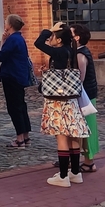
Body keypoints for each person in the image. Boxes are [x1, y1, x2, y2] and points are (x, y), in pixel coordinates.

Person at [34, 22, 90, 187]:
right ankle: (75, 173)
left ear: (58, 40)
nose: (50, 39)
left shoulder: (58, 51)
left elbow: (38, 43)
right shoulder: (71, 51)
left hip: (58, 101)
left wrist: (50, 30)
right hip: (71, 99)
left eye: (53, 37)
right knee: (72, 135)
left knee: (61, 136)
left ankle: (63, 176)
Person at [0, 14, 32, 149]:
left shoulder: (12, 40)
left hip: (11, 76)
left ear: (10, 25)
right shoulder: (19, 38)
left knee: (14, 107)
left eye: (6, 22)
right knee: (21, 106)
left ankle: (20, 139)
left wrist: (2, 41)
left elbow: (1, 56)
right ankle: (25, 135)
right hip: (19, 76)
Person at [72, 24, 99, 173]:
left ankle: (89, 161)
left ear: (77, 37)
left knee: (86, 128)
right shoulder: (79, 52)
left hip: (85, 96)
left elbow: (80, 78)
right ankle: (81, 159)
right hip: (87, 94)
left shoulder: (80, 54)